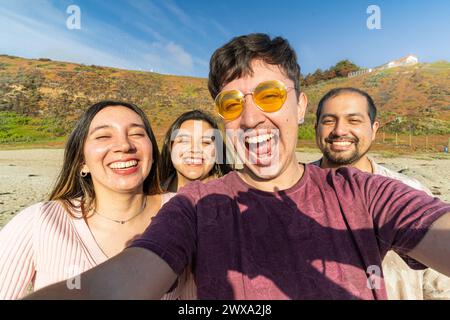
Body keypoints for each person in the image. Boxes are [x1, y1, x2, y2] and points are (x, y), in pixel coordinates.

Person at [26, 34, 450, 300]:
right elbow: (124, 280)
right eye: (232, 104)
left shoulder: (363, 191)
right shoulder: (194, 204)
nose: (250, 119)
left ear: (300, 106)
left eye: (268, 97)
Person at [0, 100, 193, 299]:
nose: (124, 145)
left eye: (136, 133)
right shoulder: (38, 222)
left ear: (152, 154)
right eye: (103, 136)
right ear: (82, 162)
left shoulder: (186, 213)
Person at [312, 87, 450, 299]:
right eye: (329, 120)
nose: (340, 130)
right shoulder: (292, 192)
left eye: (354, 120)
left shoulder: (409, 191)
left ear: (374, 129)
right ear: (316, 127)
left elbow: (438, 287)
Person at [160, 110, 231, 192]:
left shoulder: (234, 194)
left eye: (205, 142)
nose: (195, 149)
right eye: (184, 141)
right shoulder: (151, 194)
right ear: (170, 147)